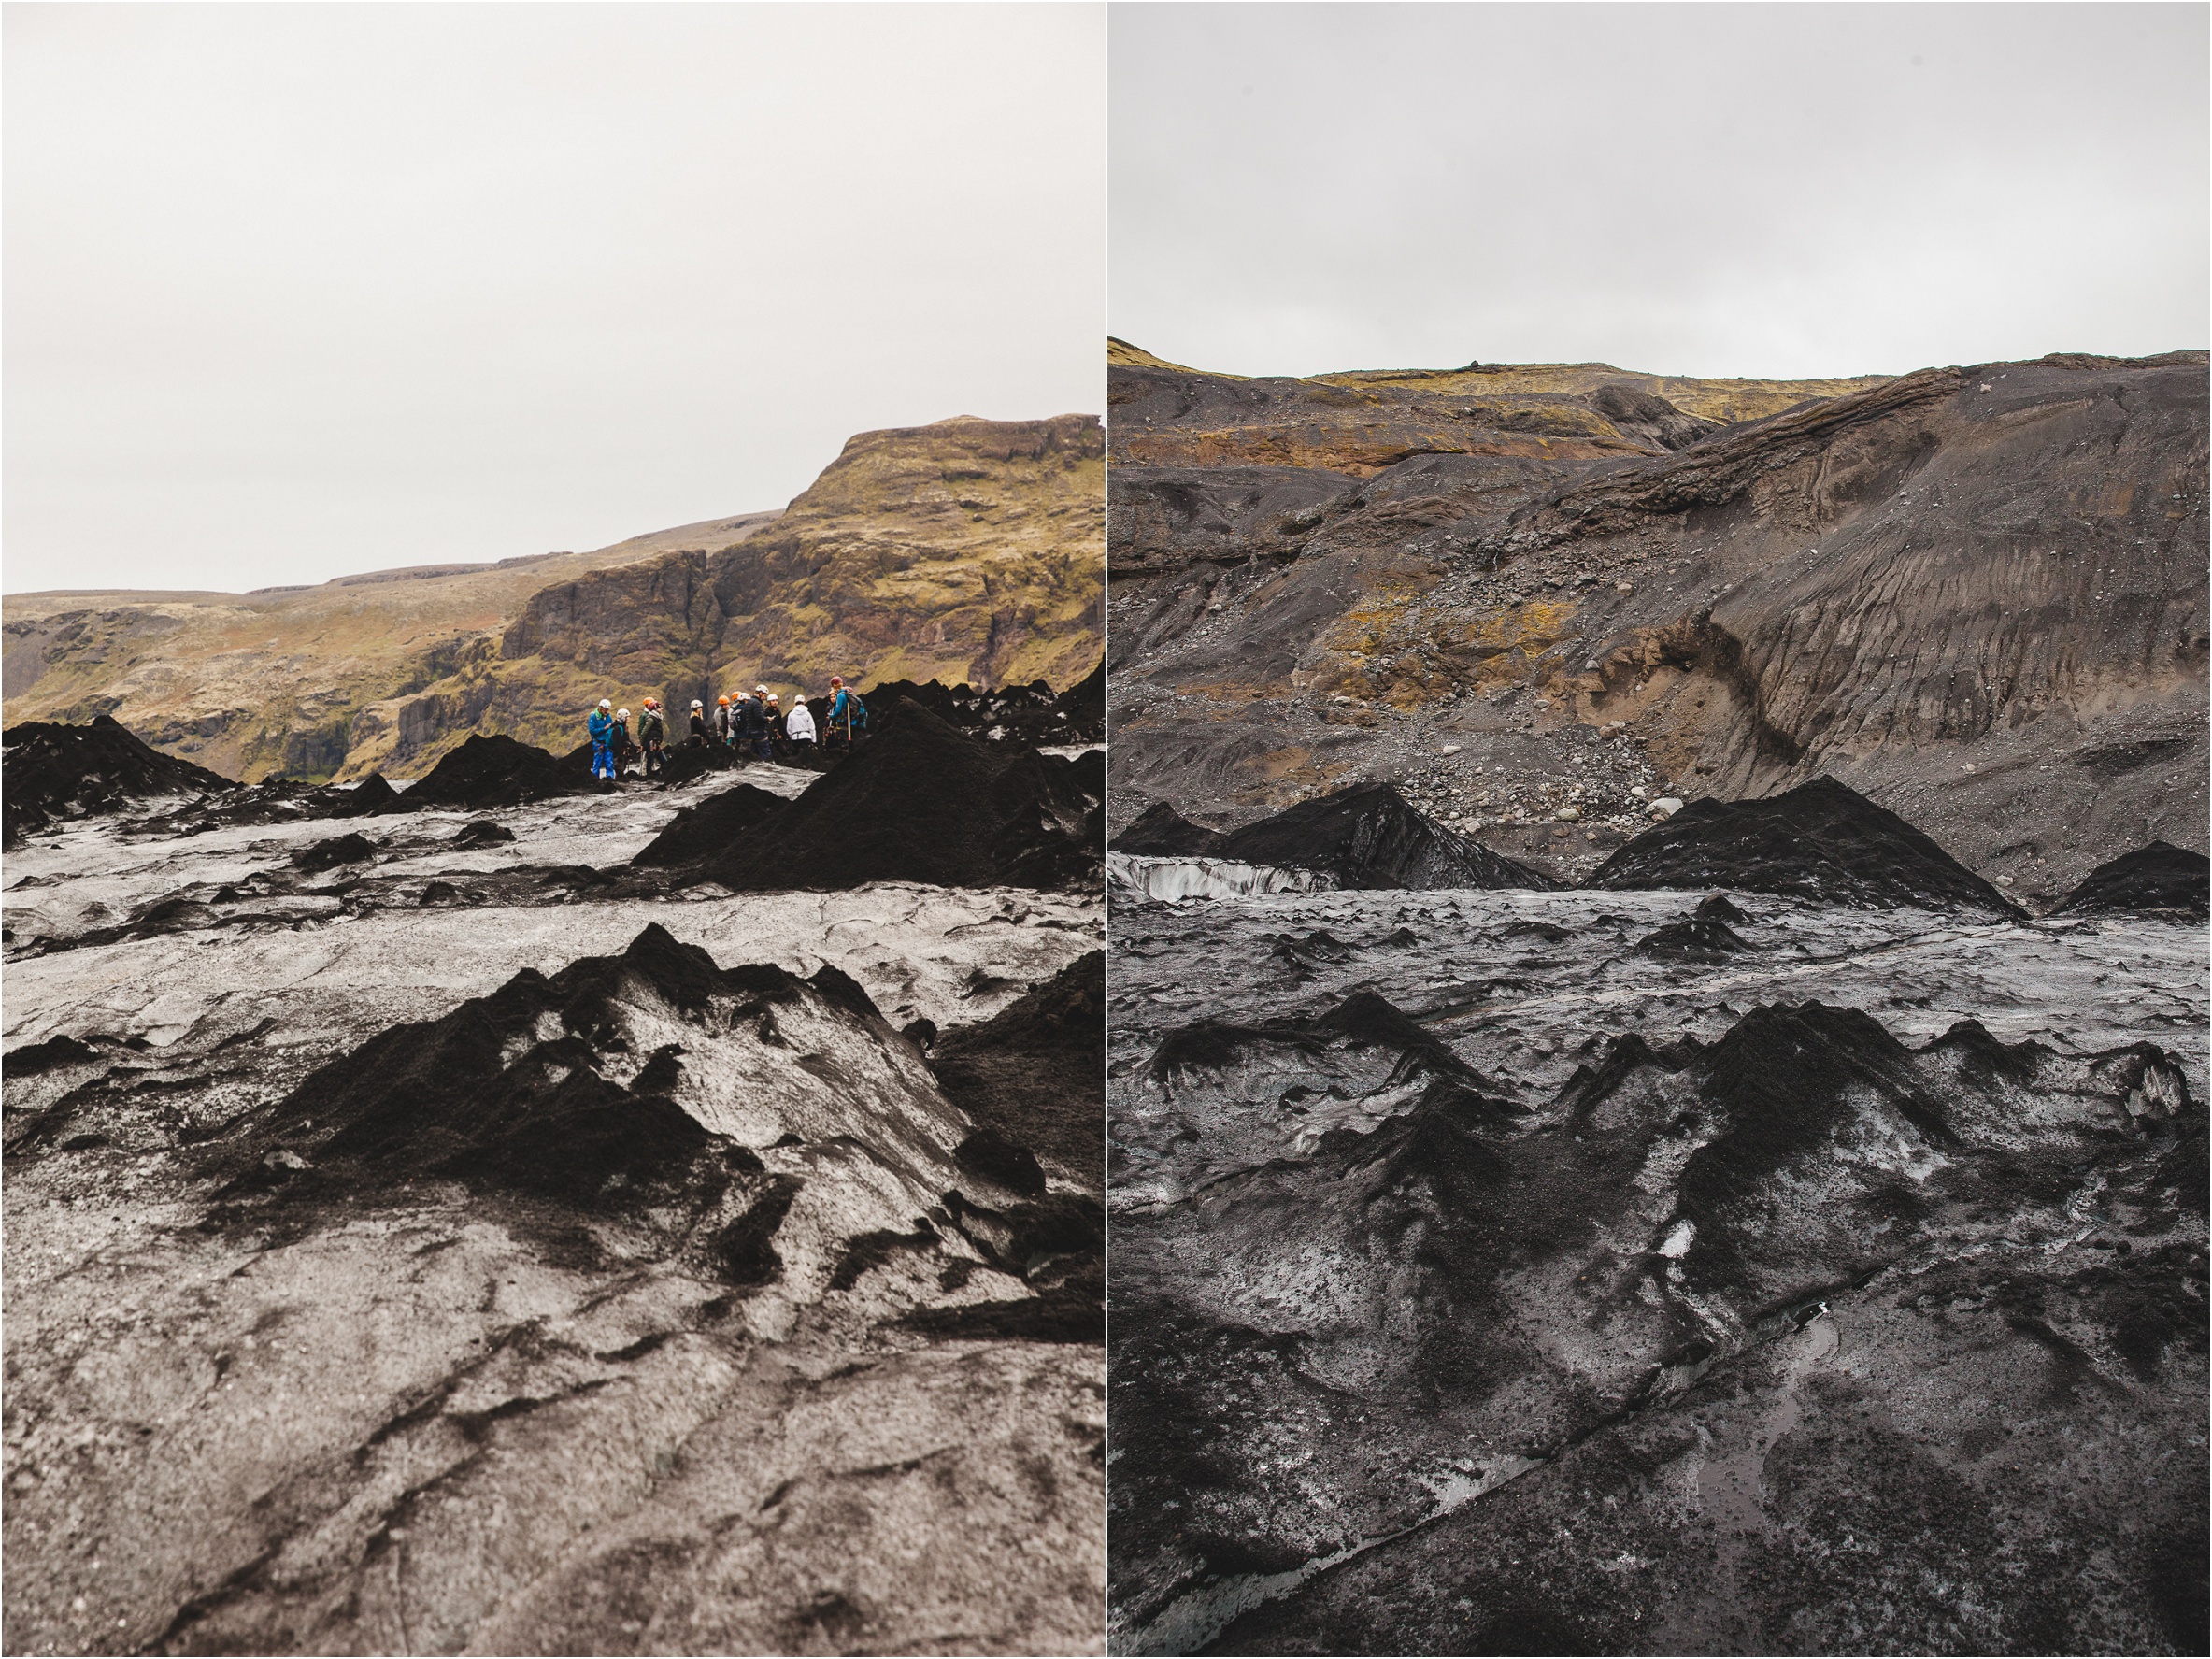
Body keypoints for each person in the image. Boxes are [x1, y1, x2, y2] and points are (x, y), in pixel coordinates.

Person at [827, 676, 867, 749]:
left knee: (844, 743)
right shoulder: (849, 694)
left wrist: (831, 716)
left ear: (834, 686)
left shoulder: (840, 695)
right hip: (854, 721)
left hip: (846, 723)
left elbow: (838, 711)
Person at [587, 699, 616, 780]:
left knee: (609, 763)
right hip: (598, 743)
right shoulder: (593, 717)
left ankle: (610, 780)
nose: (607, 711)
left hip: (607, 743)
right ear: (601, 708)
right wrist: (604, 728)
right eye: (606, 709)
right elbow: (592, 730)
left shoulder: (608, 717)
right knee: (597, 764)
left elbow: (611, 728)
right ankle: (595, 780)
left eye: (608, 710)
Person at [638, 697, 666, 779]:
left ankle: (655, 776)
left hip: (655, 743)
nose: (661, 709)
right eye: (659, 707)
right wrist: (642, 744)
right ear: (655, 709)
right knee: (650, 762)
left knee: (663, 762)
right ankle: (648, 778)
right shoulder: (651, 719)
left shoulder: (656, 718)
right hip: (651, 744)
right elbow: (644, 731)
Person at [612, 708, 635, 779]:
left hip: (623, 752)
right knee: (619, 770)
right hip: (619, 753)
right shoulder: (617, 728)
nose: (628, 718)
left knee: (622, 769)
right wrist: (619, 756)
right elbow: (617, 743)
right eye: (627, 717)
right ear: (622, 717)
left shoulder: (624, 727)